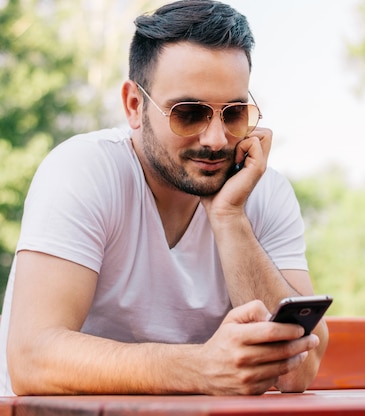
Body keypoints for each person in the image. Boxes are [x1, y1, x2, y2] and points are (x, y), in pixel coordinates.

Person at [0, 0, 328, 396]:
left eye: (234, 112)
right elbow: (31, 359)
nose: (216, 139)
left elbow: (297, 373)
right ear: (134, 106)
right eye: (189, 113)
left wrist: (228, 217)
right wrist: (198, 368)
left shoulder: (264, 192)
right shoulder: (84, 170)